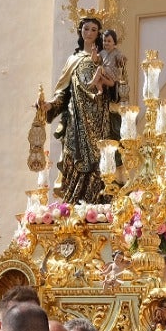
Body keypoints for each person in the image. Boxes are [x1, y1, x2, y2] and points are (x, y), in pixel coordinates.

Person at [43, 17, 111, 203]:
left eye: (93, 30)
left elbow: (114, 87)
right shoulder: (73, 60)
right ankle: (73, 202)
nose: (89, 33)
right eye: (86, 29)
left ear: (99, 34)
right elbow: (63, 94)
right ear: (80, 31)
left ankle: (96, 203)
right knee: (73, 157)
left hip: (99, 117)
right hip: (76, 118)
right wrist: (49, 105)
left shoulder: (104, 58)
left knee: (99, 159)